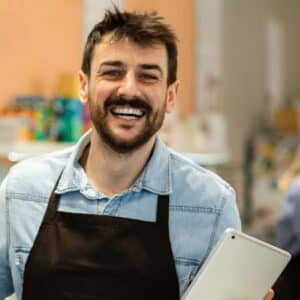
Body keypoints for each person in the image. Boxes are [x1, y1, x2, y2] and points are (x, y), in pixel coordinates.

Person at [0, 7, 273, 300]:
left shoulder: (211, 203)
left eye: (148, 76)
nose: (129, 89)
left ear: (170, 95)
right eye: (112, 72)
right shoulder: (22, 190)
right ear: (83, 86)